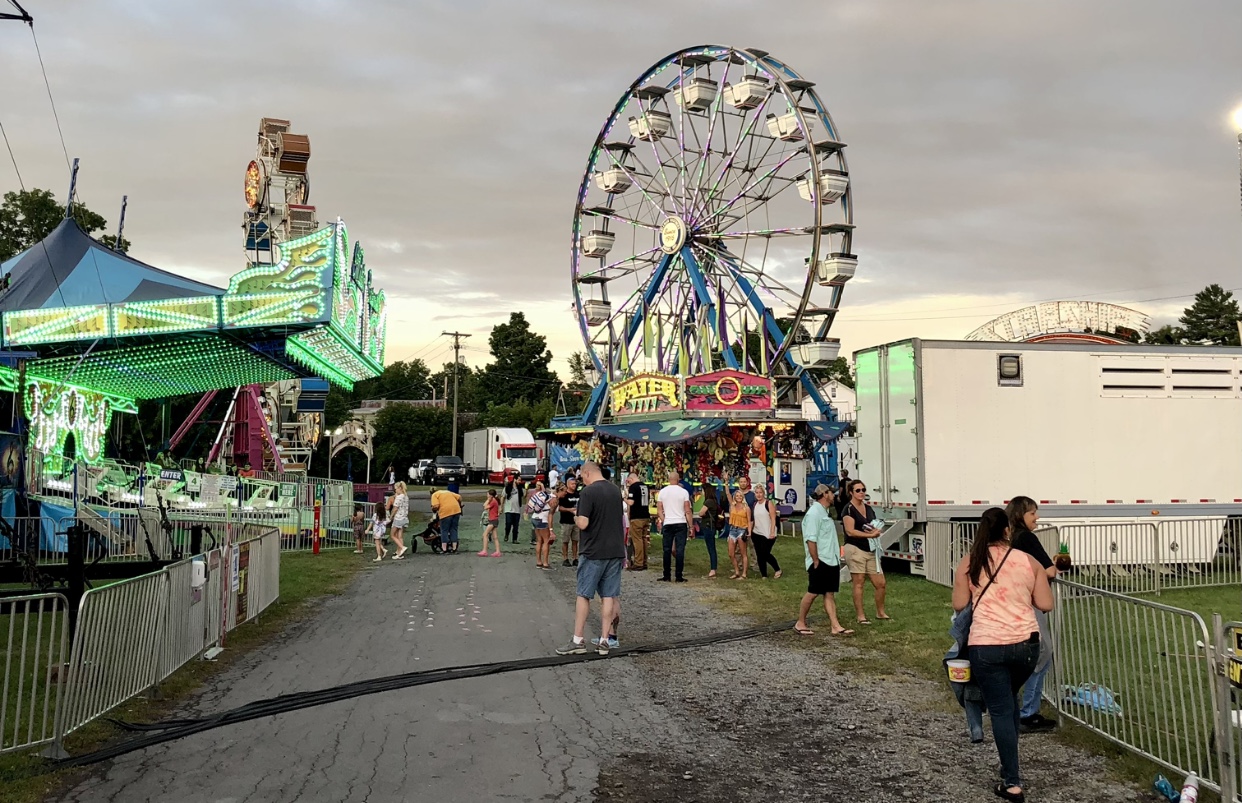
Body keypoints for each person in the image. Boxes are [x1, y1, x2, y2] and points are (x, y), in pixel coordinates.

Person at [952, 507, 1054, 803]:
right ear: (1008, 530)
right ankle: (1008, 764)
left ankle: (1012, 782)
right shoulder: (1029, 560)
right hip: (1025, 644)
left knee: (999, 708)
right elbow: (1045, 604)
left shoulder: (970, 562)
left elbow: (959, 602)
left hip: (987, 645)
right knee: (1010, 702)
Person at [556, 462, 625, 656]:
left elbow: (584, 523)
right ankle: (605, 640)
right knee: (608, 596)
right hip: (615, 549)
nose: (581, 481)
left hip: (593, 550)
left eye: (582, 477)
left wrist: (577, 517)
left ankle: (578, 639)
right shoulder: (615, 490)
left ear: (587, 473)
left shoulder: (588, 493)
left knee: (584, 594)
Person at [1005, 496, 1058, 734]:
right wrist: (1055, 564)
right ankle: (1028, 712)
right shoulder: (1026, 538)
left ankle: (1013, 708)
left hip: (1010, 602)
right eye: (1033, 513)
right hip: (1030, 603)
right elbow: (1047, 571)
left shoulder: (1007, 538)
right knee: (1043, 653)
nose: (1037, 518)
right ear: (1020, 516)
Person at [794, 485, 852, 635]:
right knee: (813, 592)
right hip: (820, 560)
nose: (834, 495)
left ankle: (835, 626)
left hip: (831, 559)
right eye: (831, 493)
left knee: (829, 593)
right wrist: (815, 560)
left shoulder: (825, 513)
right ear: (824, 494)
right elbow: (810, 539)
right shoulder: (814, 513)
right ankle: (800, 622)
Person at [841, 479, 888, 624]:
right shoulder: (848, 509)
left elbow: (871, 524)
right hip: (855, 548)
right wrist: (870, 535)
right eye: (858, 490)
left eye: (863, 490)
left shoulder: (868, 508)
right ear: (851, 492)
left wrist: (875, 530)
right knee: (859, 582)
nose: (861, 493)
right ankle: (860, 616)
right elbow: (850, 531)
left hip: (870, 549)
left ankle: (880, 612)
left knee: (880, 583)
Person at [656, 470, 692, 583]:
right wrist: (690, 526)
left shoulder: (662, 492)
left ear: (668, 479)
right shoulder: (683, 492)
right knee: (680, 550)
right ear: (678, 479)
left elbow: (659, 510)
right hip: (680, 522)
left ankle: (666, 575)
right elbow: (687, 510)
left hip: (668, 522)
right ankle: (679, 576)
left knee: (666, 550)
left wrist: (664, 520)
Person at [750, 485, 782, 579]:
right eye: (757, 493)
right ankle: (764, 574)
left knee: (765, 553)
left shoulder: (768, 503)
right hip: (756, 533)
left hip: (768, 533)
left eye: (760, 492)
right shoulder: (755, 504)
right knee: (759, 554)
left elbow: (773, 518)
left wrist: (772, 532)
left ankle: (777, 569)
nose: (758, 495)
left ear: (763, 493)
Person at [625, 472, 651, 571]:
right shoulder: (645, 486)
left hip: (637, 517)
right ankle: (644, 562)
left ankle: (638, 563)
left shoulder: (633, 487)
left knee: (637, 540)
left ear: (630, 479)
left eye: (628, 481)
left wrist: (624, 498)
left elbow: (631, 502)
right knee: (644, 539)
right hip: (645, 515)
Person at [526, 481, 554, 569]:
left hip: (535, 517)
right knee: (546, 541)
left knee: (539, 541)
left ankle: (538, 561)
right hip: (542, 519)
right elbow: (548, 499)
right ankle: (545, 563)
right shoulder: (545, 497)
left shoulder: (535, 495)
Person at [696, 481, 721, 578]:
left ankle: (713, 569)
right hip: (711, 526)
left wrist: (703, 514)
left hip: (708, 526)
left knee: (711, 548)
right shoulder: (713, 500)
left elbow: (701, 513)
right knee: (711, 547)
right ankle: (713, 568)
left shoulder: (708, 501)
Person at [726, 489, 752, 579]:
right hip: (733, 529)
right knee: (731, 553)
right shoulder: (732, 506)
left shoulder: (746, 508)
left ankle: (744, 574)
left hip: (742, 530)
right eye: (737, 496)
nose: (739, 497)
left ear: (743, 497)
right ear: (735, 497)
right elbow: (728, 494)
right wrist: (726, 483)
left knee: (743, 553)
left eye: (740, 496)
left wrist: (749, 531)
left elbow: (749, 521)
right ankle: (737, 571)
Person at [431, 484, 462, 554]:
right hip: (456, 511)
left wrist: (433, 510)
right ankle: (454, 548)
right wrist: (459, 504)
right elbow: (459, 497)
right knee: (454, 529)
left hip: (446, 512)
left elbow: (436, 505)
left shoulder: (434, 495)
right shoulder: (447, 492)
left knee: (444, 530)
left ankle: (445, 549)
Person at [558, 478, 581, 567]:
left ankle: (575, 558)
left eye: (575, 484)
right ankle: (565, 558)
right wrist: (569, 510)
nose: (574, 486)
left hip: (576, 521)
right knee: (565, 541)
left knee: (575, 541)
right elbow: (559, 507)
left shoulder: (578, 495)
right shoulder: (564, 495)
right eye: (572, 484)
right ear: (568, 485)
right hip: (566, 521)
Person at [478, 488, 502, 557]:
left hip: (493, 520)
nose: (487, 495)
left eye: (488, 494)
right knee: (495, 537)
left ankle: (484, 550)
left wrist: (488, 500)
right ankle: (498, 551)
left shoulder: (493, 501)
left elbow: (485, 506)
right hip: (494, 519)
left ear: (491, 495)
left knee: (485, 534)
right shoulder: (494, 501)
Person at [389, 481, 410, 559]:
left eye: (396, 489)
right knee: (399, 536)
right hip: (404, 517)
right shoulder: (405, 496)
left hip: (398, 518)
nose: (395, 491)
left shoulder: (399, 497)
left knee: (393, 535)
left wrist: (391, 517)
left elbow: (395, 508)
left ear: (400, 488)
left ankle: (402, 547)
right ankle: (399, 552)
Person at [503, 475, 524, 543]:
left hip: (517, 510)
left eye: (520, 480)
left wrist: (526, 489)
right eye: (518, 480)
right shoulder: (508, 487)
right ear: (514, 479)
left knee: (516, 526)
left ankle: (515, 539)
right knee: (508, 523)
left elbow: (523, 496)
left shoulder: (519, 488)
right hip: (509, 509)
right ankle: (506, 534)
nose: (520, 482)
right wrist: (501, 506)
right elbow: (503, 496)